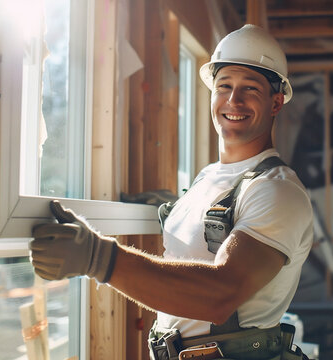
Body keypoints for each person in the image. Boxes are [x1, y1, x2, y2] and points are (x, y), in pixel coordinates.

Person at [30, 24, 314, 360]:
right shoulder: (207, 180)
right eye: (224, 86)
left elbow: (220, 294)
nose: (233, 100)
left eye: (250, 89)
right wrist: (171, 209)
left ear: (276, 103)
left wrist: (99, 258)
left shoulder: (278, 191)